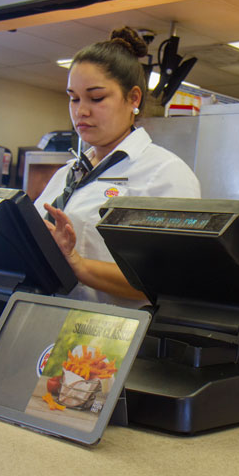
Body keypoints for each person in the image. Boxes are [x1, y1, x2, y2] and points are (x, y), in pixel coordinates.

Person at [35, 27, 201, 306]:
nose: (81, 111)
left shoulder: (167, 174)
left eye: (96, 98)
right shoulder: (67, 173)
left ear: (133, 99)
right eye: (74, 98)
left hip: (116, 339)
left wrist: (76, 263)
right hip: (50, 322)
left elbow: (172, 281)